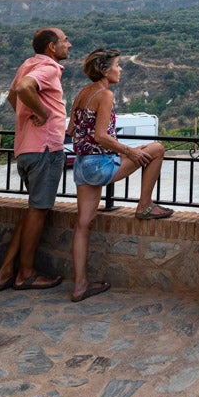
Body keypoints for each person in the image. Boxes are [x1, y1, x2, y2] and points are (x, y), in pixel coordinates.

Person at [67, 48, 171, 302]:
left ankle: (80, 285)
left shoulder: (82, 93)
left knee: (83, 226)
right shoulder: (105, 95)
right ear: (105, 70)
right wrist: (129, 151)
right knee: (156, 149)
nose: (120, 69)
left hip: (81, 166)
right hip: (99, 164)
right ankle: (144, 205)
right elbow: (101, 135)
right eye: (117, 65)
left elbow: (71, 129)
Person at [0, 28, 73, 292]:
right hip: (45, 149)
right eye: (64, 41)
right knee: (39, 211)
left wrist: (27, 116)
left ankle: (5, 271)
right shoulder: (48, 67)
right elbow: (25, 89)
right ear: (51, 47)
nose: (69, 45)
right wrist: (42, 113)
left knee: (34, 210)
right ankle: (25, 273)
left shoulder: (28, 64)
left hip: (26, 148)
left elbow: (14, 96)